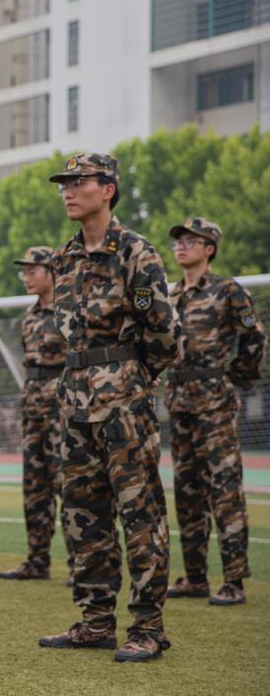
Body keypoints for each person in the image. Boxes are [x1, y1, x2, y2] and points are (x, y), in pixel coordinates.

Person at [39, 153, 180, 662]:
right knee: (82, 515)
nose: (68, 191)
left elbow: (165, 335)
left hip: (124, 402)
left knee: (139, 513)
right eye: (64, 184)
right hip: (73, 400)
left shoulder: (136, 253)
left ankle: (147, 626)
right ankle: (95, 620)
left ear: (109, 189)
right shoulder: (63, 258)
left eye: (79, 182)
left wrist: (134, 378)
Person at [164, 218, 265, 606]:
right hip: (179, 402)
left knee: (224, 490)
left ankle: (235, 580)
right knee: (187, 491)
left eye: (191, 241)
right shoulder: (171, 296)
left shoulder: (227, 291)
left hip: (215, 402)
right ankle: (194, 578)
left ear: (210, 249)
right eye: (179, 242)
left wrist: (237, 376)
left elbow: (253, 336)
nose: (181, 247)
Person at [0, 247, 74, 582]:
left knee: (68, 484)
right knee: (35, 485)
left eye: (33, 270)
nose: (26, 277)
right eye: (24, 272)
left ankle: (80, 563)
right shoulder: (28, 318)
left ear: (51, 271)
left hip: (63, 408)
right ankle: (37, 559)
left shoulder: (69, 312)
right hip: (33, 408)